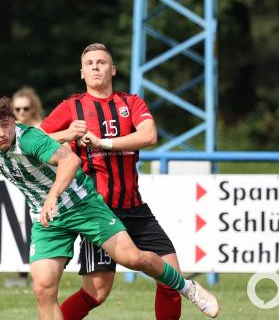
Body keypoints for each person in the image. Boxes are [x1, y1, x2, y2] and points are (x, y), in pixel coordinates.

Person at [0, 97, 219, 320]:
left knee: (132, 258)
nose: (2, 133)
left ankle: (185, 286)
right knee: (43, 289)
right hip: (47, 218)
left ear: (13, 121)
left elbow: (70, 161)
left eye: (5, 124)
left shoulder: (29, 139)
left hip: (81, 204)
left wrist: (52, 196)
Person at [40, 43, 186, 319]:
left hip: (135, 207)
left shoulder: (130, 102)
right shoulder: (72, 107)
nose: (95, 67)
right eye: (90, 64)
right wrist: (67, 133)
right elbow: (32, 138)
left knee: (171, 279)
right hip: (99, 210)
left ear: (113, 69)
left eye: (102, 62)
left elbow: (149, 135)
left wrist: (103, 143)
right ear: (82, 73)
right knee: (97, 292)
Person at [6, 86, 46, 287]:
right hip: (22, 187)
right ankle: (23, 273)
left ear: (34, 108)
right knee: (20, 229)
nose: (21, 113)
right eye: (17, 109)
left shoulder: (43, 129)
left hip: (43, 189)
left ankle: (40, 275)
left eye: (26, 108)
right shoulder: (8, 132)